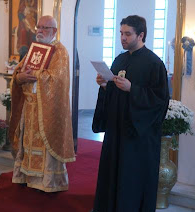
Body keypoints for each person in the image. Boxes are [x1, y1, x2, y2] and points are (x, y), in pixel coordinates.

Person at [92, 15, 169, 211]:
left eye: (128, 34)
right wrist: (104, 86)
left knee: (132, 180)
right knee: (113, 176)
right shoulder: (119, 59)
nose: (123, 38)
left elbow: (160, 101)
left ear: (141, 35)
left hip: (138, 137)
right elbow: (114, 95)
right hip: (117, 131)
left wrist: (132, 89)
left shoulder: (154, 63)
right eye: (121, 33)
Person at [9, 15, 76, 192]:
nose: (39, 31)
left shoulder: (60, 51)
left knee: (45, 146)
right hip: (29, 106)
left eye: (45, 28)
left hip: (47, 109)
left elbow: (58, 79)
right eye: (38, 27)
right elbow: (19, 71)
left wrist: (36, 75)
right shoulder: (35, 49)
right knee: (27, 143)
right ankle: (26, 176)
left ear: (54, 31)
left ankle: (47, 181)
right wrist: (19, 78)